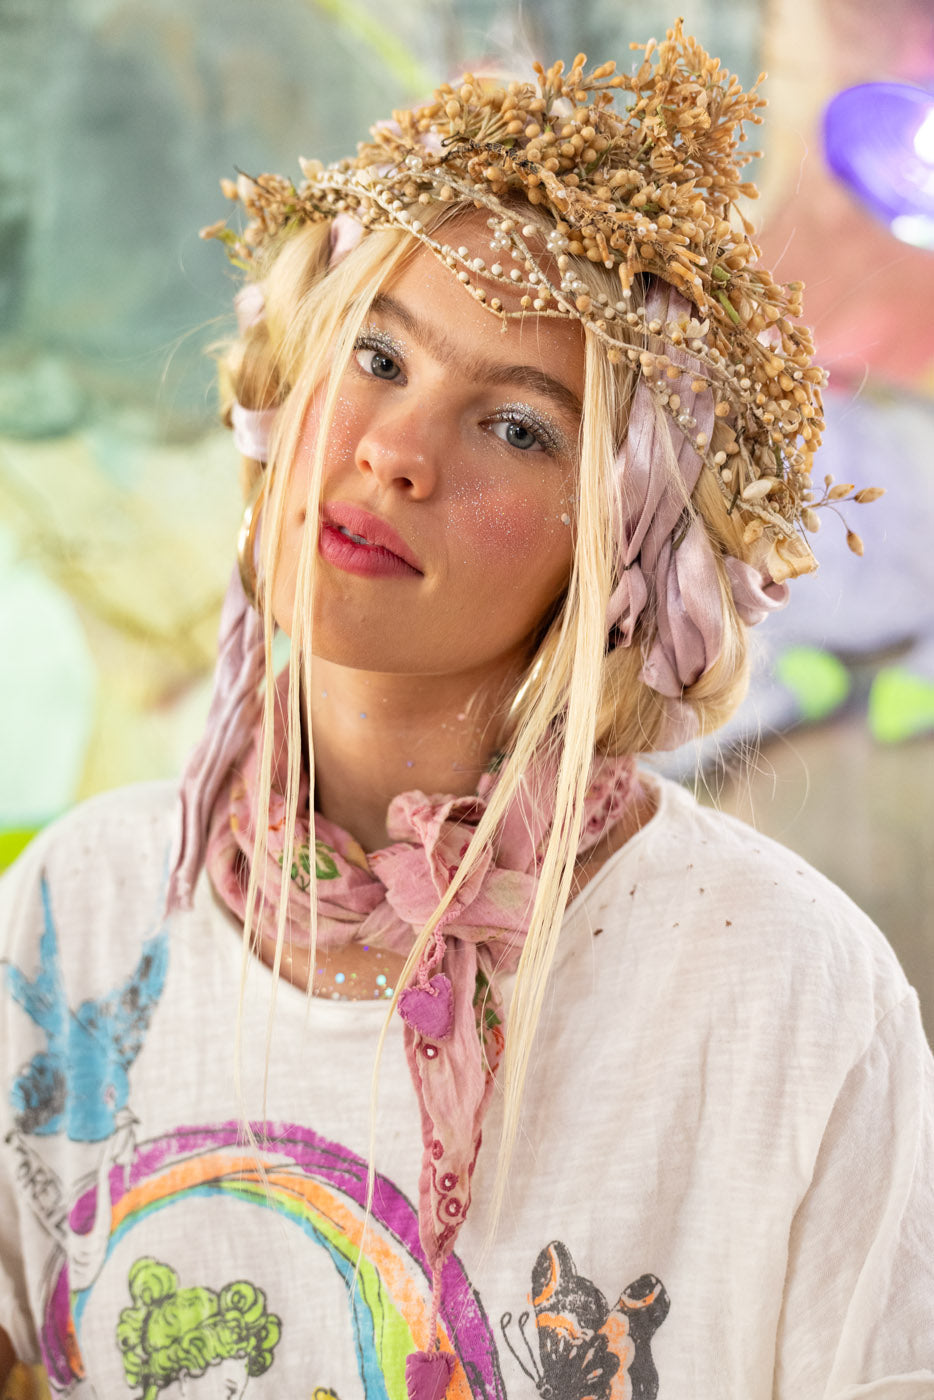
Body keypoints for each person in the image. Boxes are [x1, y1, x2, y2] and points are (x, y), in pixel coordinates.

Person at [1, 20, 932, 1400]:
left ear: (623, 553)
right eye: (378, 357)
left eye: (515, 426)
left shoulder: (785, 992)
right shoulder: (79, 907)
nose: (392, 451)